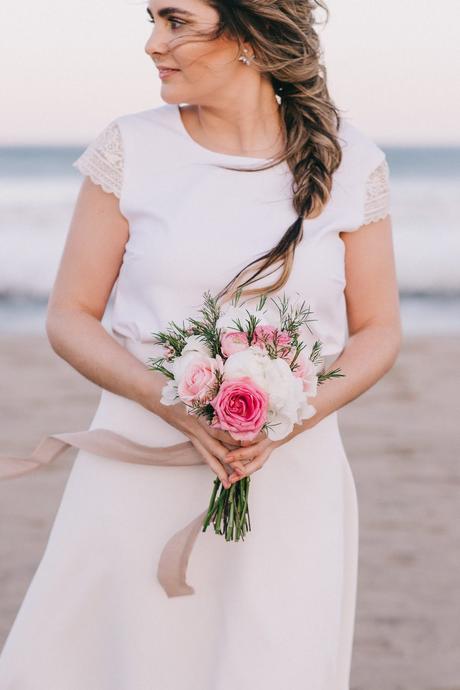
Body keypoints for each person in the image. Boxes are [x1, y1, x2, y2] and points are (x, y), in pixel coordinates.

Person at [0, 0, 401, 688]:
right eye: (152, 18)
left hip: (288, 476)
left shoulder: (349, 159)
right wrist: (171, 403)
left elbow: (379, 330)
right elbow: (70, 315)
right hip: (135, 464)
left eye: (177, 21)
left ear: (250, 33)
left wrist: (289, 416)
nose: (153, 43)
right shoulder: (130, 146)